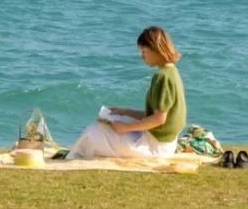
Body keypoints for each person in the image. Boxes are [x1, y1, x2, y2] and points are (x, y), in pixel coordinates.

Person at [64, 25, 187, 160]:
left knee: (93, 132)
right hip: (164, 143)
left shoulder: (162, 77)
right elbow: (158, 115)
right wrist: (125, 112)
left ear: (155, 49)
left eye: (144, 51)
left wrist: (126, 128)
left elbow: (159, 119)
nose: (142, 56)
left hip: (156, 148)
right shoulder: (172, 72)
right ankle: (76, 155)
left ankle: (72, 159)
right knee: (114, 120)